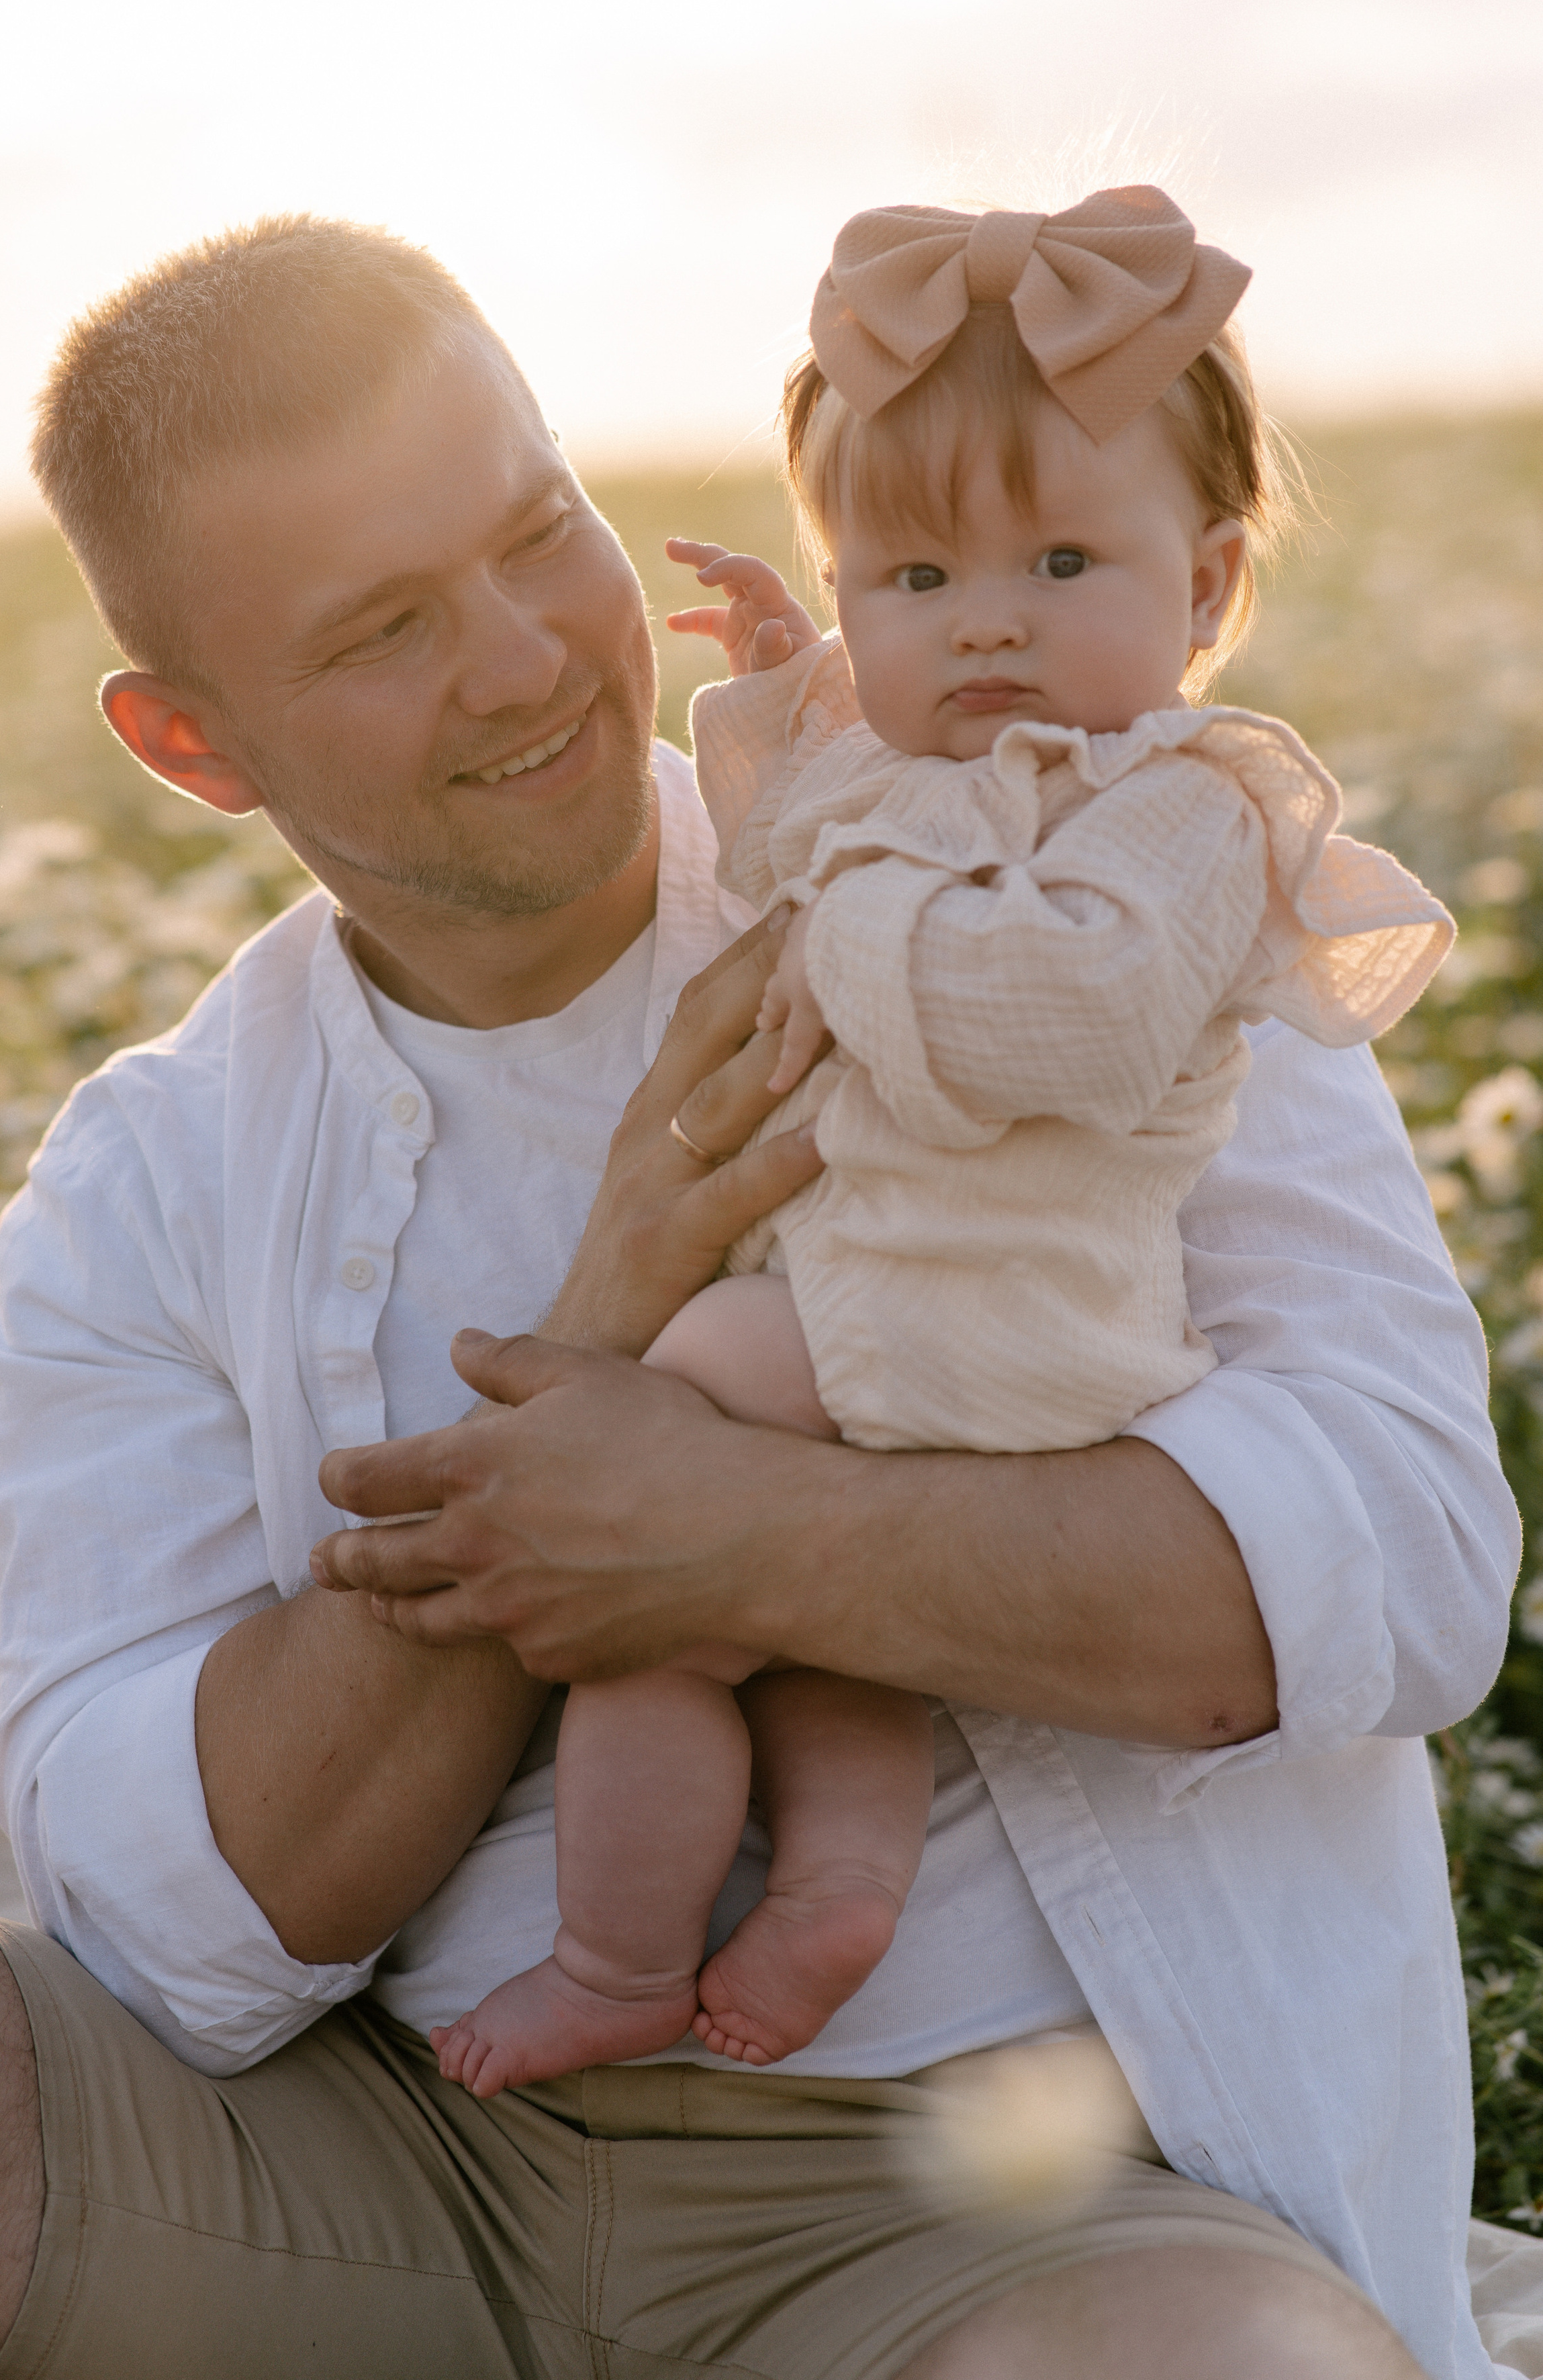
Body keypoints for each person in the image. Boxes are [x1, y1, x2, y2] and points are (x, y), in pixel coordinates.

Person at [0, 212, 1515, 2380]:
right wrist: (604, 1318)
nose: (527, 656)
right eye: (383, 631)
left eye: (543, 535)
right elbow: (186, 1933)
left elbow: (1408, 1556)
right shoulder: (142, 1184)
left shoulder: (1056, 885)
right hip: (390, 2173)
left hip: (1009, 2198)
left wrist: (732, 1536)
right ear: (190, 744)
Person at [430, 189, 1453, 2103]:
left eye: (1061, 561)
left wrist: (851, 917)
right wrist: (783, 684)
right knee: (790, 1601)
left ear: (1213, 586)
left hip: (1015, 1321)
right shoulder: (925, 773)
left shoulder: (1194, 812)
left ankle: (613, 1951)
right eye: (907, 581)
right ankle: (835, 1883)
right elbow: (799, 829)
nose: (983, 620)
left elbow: (1064, 1015)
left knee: (624, 1474)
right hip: (910, 1307)